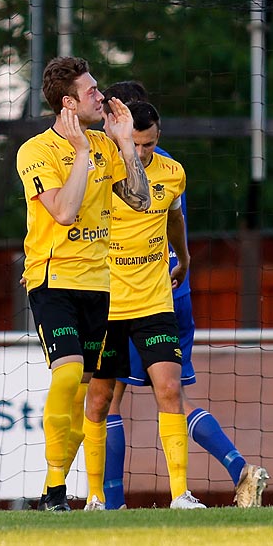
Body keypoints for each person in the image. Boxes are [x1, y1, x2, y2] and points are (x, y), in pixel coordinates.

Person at [98, 80, 269, 510]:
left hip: (144, 292)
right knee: (171, 393)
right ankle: (238, 469)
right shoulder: (168, 164)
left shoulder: (119, 165)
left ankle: (108, 503)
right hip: (176, 291)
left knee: (111, 398)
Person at [14, 56, 151, 510]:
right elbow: (65, 211)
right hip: (53, 278)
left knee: (92, 390)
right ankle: (55, 490)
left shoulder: (105, 145)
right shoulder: (36, 151)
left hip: (102, 283)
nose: (101, 95)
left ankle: (61, 493)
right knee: (68, 371)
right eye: (91, 91)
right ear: (69, 103)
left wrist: (126, 145)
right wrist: (81, 154)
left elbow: (140, 199)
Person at [88, 95, 202, 509]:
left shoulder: (173, 173)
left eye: (149, 144)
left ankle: (180, 494)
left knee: (170, 390)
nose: (140, 152)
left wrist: (184, 258)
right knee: (99, 400)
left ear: (158, 137)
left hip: (155, 301)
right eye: (134, 143)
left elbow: (174, 218)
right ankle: (96, 498)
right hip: (108, 304)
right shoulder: (101, 170)